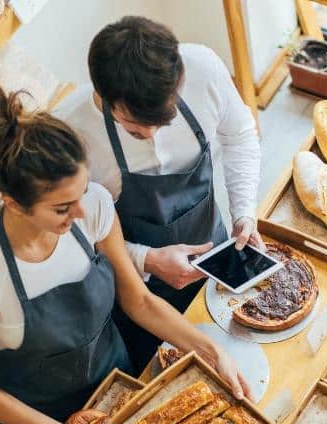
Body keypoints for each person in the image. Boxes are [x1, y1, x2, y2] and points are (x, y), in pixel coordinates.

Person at [0, 86, 248, 424]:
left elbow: (138, 301)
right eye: (62, 208)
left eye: (82, 193)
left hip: (114, 397)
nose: (82, 213)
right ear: (13, 202)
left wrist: (210, 350)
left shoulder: (96, 208)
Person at [56, 16, 263, 370]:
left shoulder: (203, 69)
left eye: (160, 121)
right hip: (135, 293)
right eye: (135, 124)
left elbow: (240, 135)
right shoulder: (69, 134)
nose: (150, 133)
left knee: (239, 357)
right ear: (103, 95)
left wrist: (244, 210)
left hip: (214, 261)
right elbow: (71, 237)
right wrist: (145, 259)